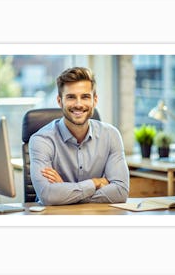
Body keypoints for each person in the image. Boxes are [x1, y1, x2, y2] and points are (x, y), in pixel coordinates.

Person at [29, 67, 129, 205]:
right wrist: (95, 183)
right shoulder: (41, 140)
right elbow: (48, 195)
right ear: (59, 101)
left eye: (85, 97)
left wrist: (65, 191)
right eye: (71, 97)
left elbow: (120, 192)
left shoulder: (111, 135)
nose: (78, 104)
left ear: (95, 100)